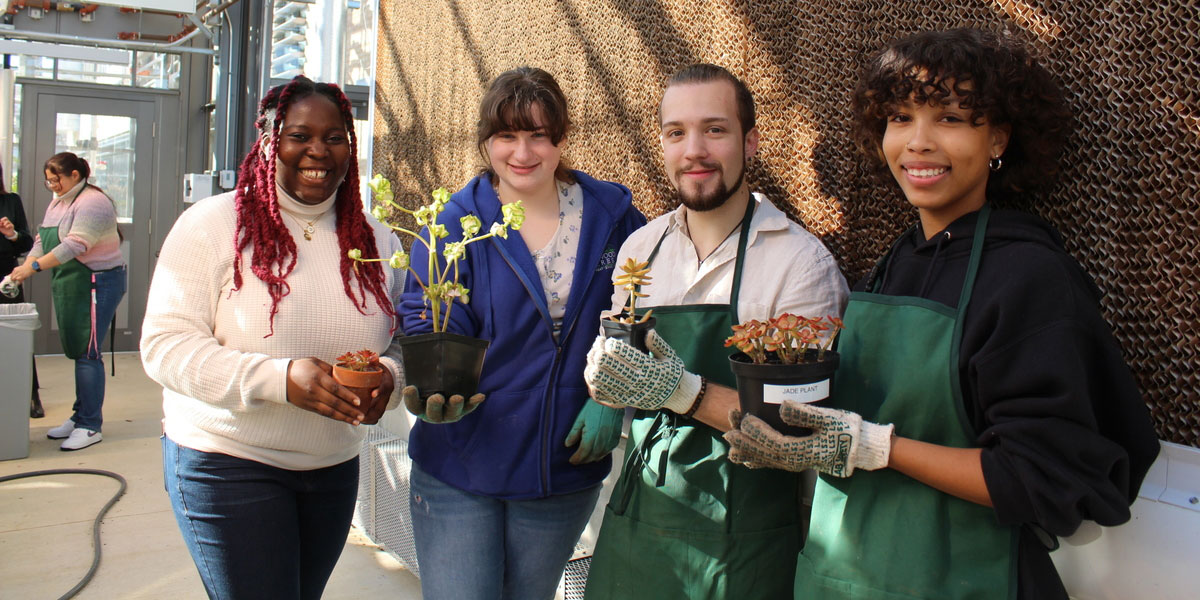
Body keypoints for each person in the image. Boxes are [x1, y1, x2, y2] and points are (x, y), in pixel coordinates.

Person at [723, 29, 1161, 599]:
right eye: (900, 118)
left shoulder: (1029, 278)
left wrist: (875, 448)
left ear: (999, 138)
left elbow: (1042, 478)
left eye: (951, 119)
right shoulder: (892, 265)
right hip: (839, 576)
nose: (918, 142)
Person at [582, 64, 850, 599]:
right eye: (676, 132)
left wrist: (679, 391)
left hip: (744, 533)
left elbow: (799, 430)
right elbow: (620, 361)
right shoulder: (642, 250)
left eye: (715, 129)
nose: (694, 150)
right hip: (641, 514)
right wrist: (604, 384)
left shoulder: (799, 264)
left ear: (750, 143)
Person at [140, 76, 403, 600]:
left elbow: (400, 342)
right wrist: (278, 379)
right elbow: (164, 346)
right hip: (227, 461)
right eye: (299, 135)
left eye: (335, 138)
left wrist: (390, 379)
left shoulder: (376, 238)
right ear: (268, 141)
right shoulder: (212, 226)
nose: (318, 151)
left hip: (332, 465)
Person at [397, 66, 645, 600]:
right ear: (486, 141)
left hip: (563, 464)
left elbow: (645, 307)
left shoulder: (612, 217)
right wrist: (441, 383)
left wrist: (613, 397)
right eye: (506, 135)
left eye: (538, 135)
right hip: (461, 458)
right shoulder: (455, 223)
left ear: (561, 138)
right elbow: (426, 312)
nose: (523, 152)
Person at [7, 152, 126, 450]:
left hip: (98, 282)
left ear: (75, 174)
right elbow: (41, 240)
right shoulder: (59, 201)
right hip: (73, 282)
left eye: (56, 179)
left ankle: (90, 425)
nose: (52, 186)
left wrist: (33, 267)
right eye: (48, 181)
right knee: (77, 349)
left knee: (88, 352)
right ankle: (79, 415)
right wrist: (24, 267)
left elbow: (75, 244)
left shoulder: (93, 202)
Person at [0, 162, 41, 418]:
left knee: (16, 337)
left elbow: (26, 243)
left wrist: (11, 234)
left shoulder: (10, 201)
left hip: (5, 277)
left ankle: (31, 395)